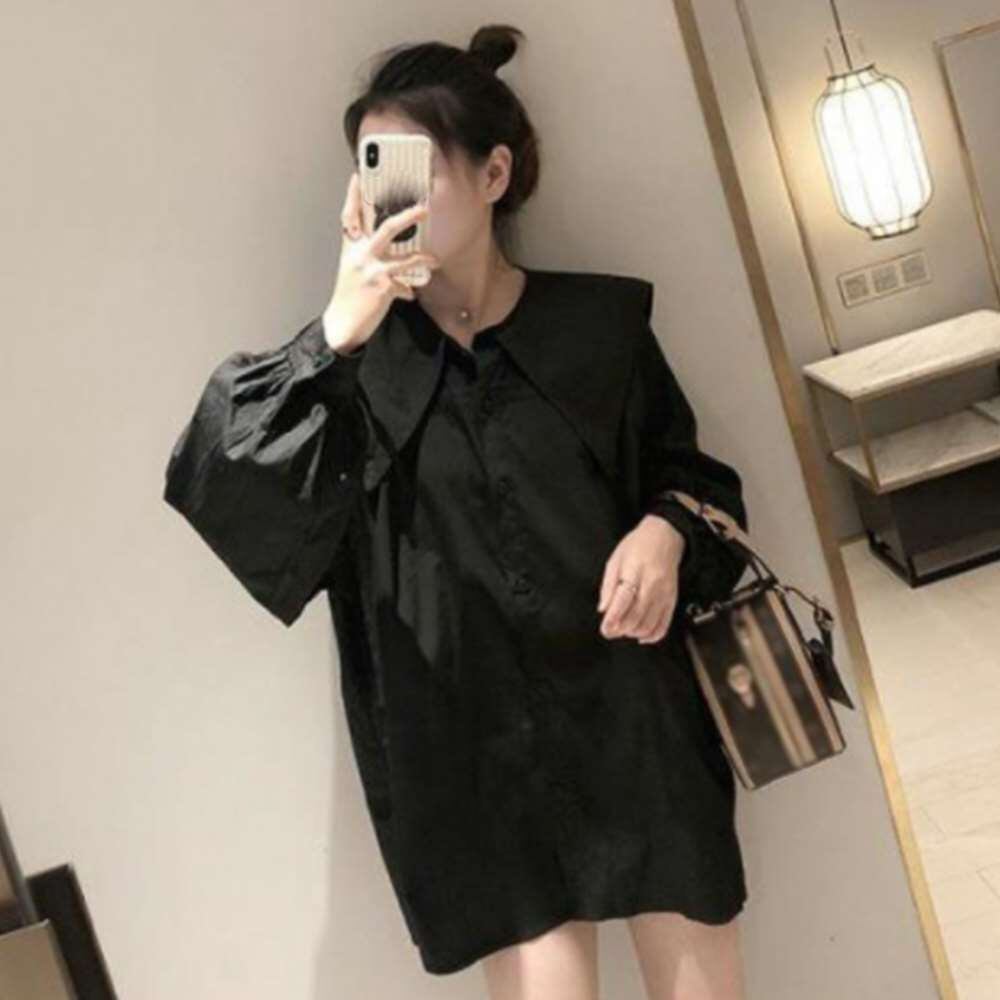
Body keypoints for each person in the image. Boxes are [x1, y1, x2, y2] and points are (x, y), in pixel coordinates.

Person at [163, 23, 752, 1000]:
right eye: (371, 172)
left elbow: (697, 484)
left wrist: (663, 532)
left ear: (493, 174)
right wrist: (337, 329)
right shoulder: (347, 376)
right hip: (476, 761)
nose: (389, 198)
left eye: (413, 168)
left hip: (638, 725)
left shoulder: (597, 329)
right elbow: (220, 486)